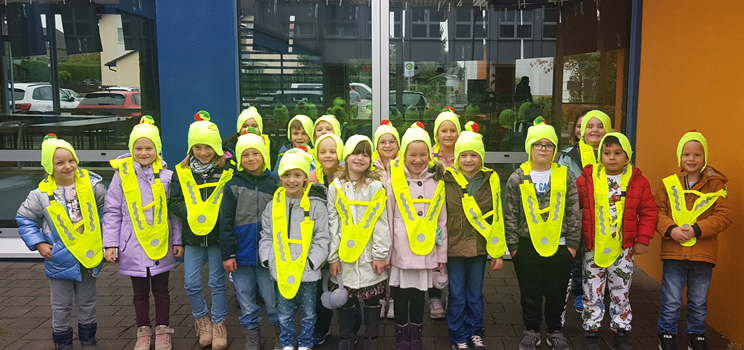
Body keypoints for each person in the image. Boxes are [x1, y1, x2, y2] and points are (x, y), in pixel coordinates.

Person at [16, 134, 107, 350]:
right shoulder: (40, 195)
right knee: (61, 305)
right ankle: (63, 343)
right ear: (49, 166)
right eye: (60, 163)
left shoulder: (92, 186)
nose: (68, 166)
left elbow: (106, 210)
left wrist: (103, 237)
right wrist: (38, 242)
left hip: (88, 255)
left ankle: (88, 339)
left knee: (87, 302)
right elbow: (25, 217)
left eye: (71, 160)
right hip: (59, 258)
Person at [103, 116, 184, 350]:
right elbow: (112, 211)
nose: (144, 152)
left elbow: (173, 213)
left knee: (161, 291)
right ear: (131, 149)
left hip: (161, 244)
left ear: (157, 150)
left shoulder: (167, 177)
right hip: (133, 244)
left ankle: (162, 330)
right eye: (138, 148)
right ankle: (142, 330)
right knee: (139, 293)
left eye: (149, 148)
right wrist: (111, 244)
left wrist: (177, 240)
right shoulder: (121, 176)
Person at [503, 117, 580, 350]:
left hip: (561, 245)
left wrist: (572, 245)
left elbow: (574, 211)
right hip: (527, 246)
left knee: (557, 292)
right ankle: (532, 330)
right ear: (529, 147)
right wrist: (514, 247)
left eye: (549, 145)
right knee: (530, 292)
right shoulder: (517, 177)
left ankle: (555, 331)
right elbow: (510, 214)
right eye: (538, 144)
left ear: (555, 149)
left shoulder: (565, 176)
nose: (543, 149)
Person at [577, 132, 657, 350]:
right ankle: (592, 327)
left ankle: (621, 327)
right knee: (591, 288)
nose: (611, 157)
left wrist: (643, 239)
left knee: (621, 289)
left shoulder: (638, 181)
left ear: (627, 156)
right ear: (600, 155)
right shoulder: (587, 178)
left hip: (624, 247)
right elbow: (574, 207)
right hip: (593, 246)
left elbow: (649, 211)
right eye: (606, 153)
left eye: (617, 153)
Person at [655, 131, 732, 350]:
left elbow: (724, 216)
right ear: (679, 157)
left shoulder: (716, 186)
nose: (691, 159)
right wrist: (670, 230)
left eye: (697, 155)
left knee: (698, 301)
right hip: (673, 253)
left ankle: (696, 336)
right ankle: (666, 335)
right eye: (686, 154)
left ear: (704, 157)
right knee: (671, 300)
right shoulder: (668, 184)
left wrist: (697, 230)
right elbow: (658, 212)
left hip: (703, 254)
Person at [168, 111, 231, 349]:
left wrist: (216, 216)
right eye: (197, 148)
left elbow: (229, 203)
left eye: (208, 147)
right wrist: (194, 213)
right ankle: (201, 319)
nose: (203, 153)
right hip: (193, 238)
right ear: (190, 149)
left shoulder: (226, 172)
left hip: (215, 238)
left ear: (216, 147)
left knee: (217, 283)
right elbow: (174, 201)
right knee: (191, 283)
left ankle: (218, 324)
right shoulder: (182, 172)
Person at [259, 146, 331, 350]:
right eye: (287, 175)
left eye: (298, 175)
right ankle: (288, 343)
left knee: (309, 311)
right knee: (284, 311)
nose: (292, 180)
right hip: (281, 270)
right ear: (280, 177)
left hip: (308, 271)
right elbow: (266, 235)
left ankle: (306, 343)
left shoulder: (316, 205)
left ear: (306, 177)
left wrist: (312, 262)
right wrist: (268, 259)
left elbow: (322, 237)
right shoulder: (273, 205)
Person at [443, 122, 506, 350]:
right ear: (457, 157)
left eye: (474, 155)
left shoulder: (491, 179)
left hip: (480, 247)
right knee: (457, 294)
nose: (468, 160)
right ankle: (458, 335)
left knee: (475, 295)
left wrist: (497, 252)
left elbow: (497, 215)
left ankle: (475, 332)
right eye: (464, 155)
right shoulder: (446, 178)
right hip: (454, 247)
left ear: (481, 157)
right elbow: (438, 217)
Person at [386, 122, 448, 350]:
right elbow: (388, 219)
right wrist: (387, 252)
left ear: (429, 155)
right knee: (401, 296)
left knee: (418, 296)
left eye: (423, 154)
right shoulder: (395, 181)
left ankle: (416, 339)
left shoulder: (436, 181)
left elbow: (441, 221)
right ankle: (402, 339)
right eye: (412, 154)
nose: (418, 159)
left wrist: (441, 253)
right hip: (401, 250)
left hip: (425, 249)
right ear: (404, 155)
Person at [219, 128, 282, 350]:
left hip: (268, 255)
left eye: (255, 153)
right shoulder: (232, 185)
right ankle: (251, 336)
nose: (251, 158)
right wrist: (228, 255)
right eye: (245, 154)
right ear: (238, 157)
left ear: (264, 156)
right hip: (241, 254)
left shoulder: (275, 183)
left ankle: (279, 333)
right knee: (246, 300)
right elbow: (225, 223)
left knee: (272, 299)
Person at [327, 135, 391, 350]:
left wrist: (380, 255)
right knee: (346, 299)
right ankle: (346, 337)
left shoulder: (375, 187)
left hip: (369, 257)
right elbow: (332, 223)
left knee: (372, 299)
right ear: (346, 156)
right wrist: (333, 257)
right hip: (343, 257)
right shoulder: (335, 187)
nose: (360, 157)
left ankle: (371, 338)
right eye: (356, 152)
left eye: (366, 153)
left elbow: (381, 223)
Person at [558, 109, 610, 313]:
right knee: (579, 257)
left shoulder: (614, 152)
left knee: (601, 256)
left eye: (600, 126)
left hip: (605, 218)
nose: (594, 130)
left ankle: (600, 293)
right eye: (587, 126)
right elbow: (564, 185)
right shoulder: (568, 155)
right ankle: (580, 292)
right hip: (578, 214)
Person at [372, 119, 400, 319]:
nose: (387, 145)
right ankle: (380, 299)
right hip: (378, 223)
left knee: (397, 264)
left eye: (392, 141)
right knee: (380, 262)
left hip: (399, 221)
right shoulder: (371, 168)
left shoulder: (404, 166)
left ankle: (394, 300)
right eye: (383, 142)